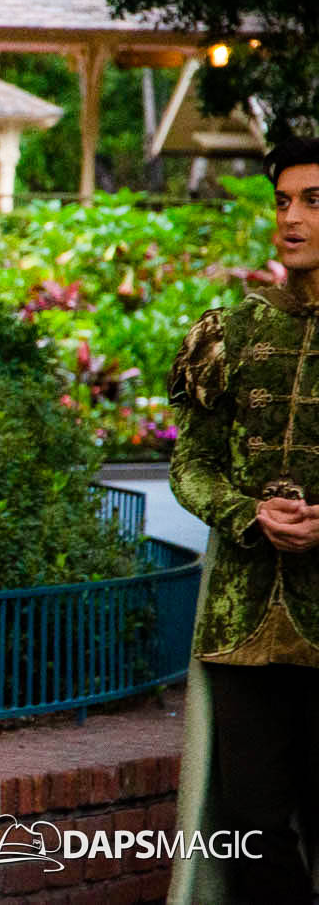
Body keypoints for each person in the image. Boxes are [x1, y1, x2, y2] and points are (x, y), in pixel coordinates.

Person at [168, 138, 319, 904]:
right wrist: (247, 512)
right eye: (283, 201)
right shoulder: (230, 330)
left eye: (313, 201)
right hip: (242, 621)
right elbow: (190, 464)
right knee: (251, 825)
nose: (291, 218)